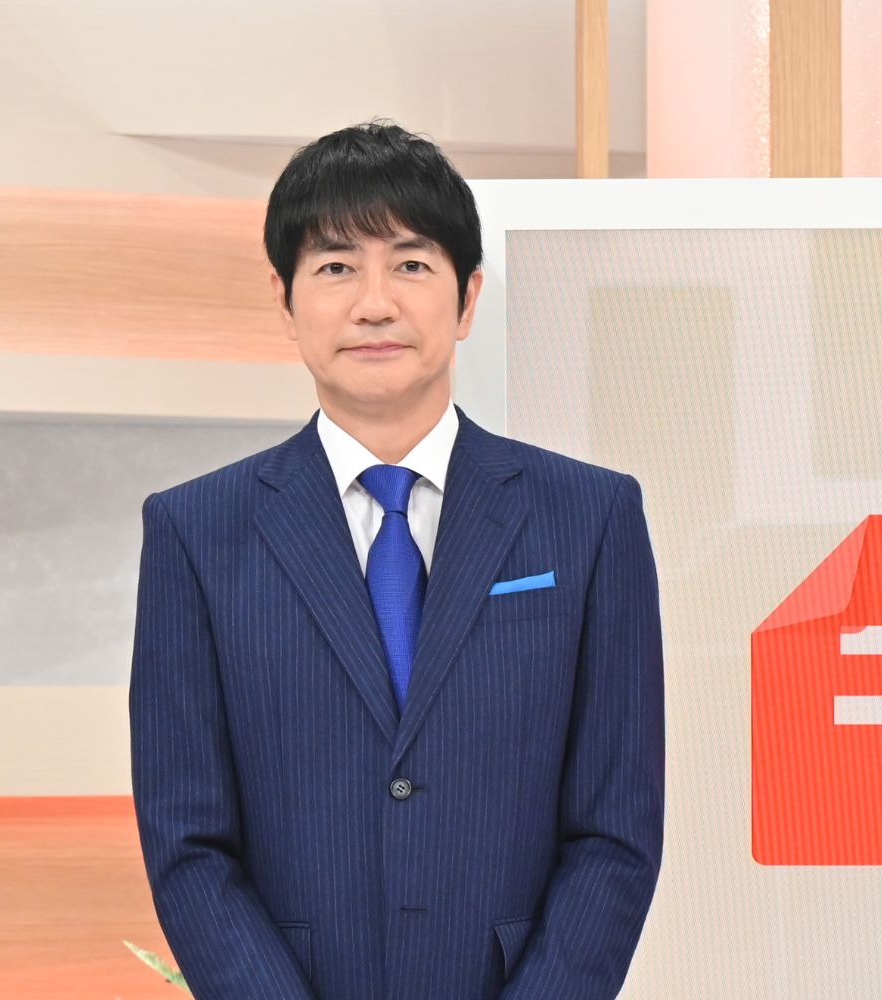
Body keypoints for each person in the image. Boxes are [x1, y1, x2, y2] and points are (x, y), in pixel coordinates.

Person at [129, 120, 664, 1000]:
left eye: (410, 264)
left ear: (468, 298)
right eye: (336, 266)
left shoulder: (589, 517)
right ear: (285, 299)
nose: (374, 303)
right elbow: (188, 842)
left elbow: (616, 829)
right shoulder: (197, 532)